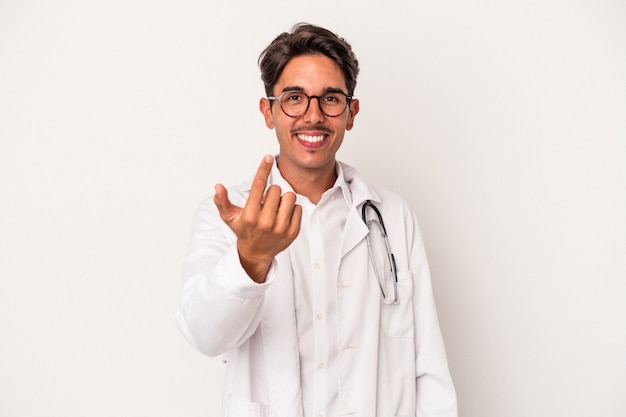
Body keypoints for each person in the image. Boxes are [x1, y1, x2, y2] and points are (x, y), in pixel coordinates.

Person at [175, 23, 457, 417]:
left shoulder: (394, 218)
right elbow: (204, 335)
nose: (313, 116)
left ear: (351, 112)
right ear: (268, 111)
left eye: (330, 99)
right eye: (294, 98)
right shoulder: (227, 216)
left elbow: (428, 370)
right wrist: (250, 260)